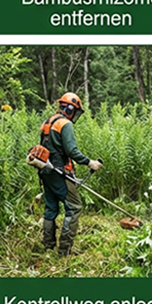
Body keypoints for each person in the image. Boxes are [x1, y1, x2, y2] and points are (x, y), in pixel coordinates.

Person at [38, 92, 103, 256]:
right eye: (75, 111)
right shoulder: (64, 124)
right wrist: (90, 162)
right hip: (60, 172)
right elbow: (71, 151)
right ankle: (64, 251)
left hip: (46, 170)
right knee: (74, 207)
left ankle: (48, 246)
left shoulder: (48, 122)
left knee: (51, 208)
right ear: (69, 109)